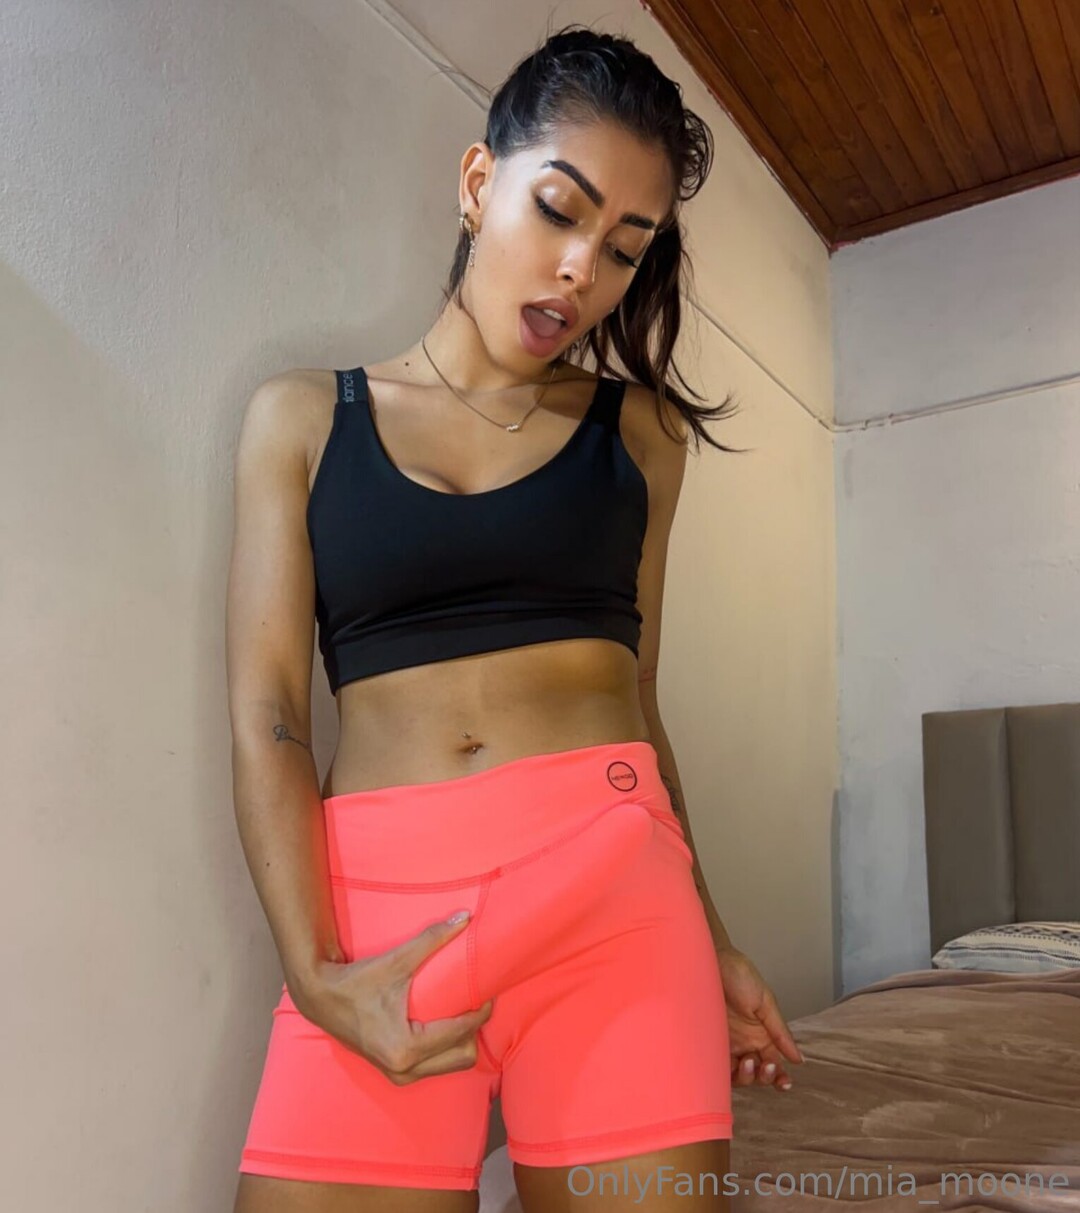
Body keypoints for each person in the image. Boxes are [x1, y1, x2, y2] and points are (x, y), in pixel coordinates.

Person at [226, 24, 804, 1213]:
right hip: (377, 919)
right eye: (558, 209)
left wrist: (712, 936)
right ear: (479, 181)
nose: (581, 269)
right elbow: (271, 714)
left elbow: (641, 700)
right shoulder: (302, 419)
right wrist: (314, 970)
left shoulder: (642, 437)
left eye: (623, 248)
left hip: (617, 907)